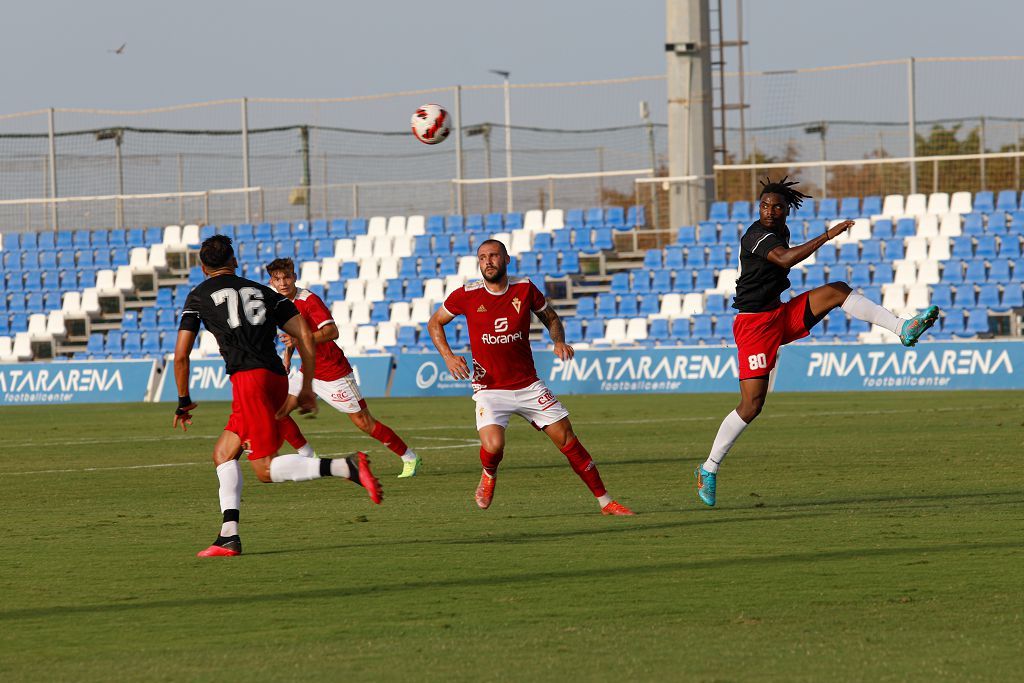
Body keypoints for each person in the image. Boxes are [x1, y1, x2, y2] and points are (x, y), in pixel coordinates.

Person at [694, 177, 939, 507]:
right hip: (754, 326)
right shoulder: (756, 235)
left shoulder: (781, 230)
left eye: (776, 206)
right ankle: (708, 468)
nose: (769, 210)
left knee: (837, 290)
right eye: (764, 205)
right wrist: (827, 235)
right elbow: (784, 260)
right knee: (752, 405)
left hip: (778, 313)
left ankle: (903, 328)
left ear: (786, 211)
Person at [172, 236, 382, 558]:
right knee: (223, 453)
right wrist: (307, 385)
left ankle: (344, 466)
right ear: (236, 262)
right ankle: (228, 536)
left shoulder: (198, 295)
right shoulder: (265, 291)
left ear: (203, 267)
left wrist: (183, 400)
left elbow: (181, 357)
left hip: (249, 381)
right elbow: (305, 338)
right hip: (276, 378)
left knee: (265, 471)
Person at [427, 239, 633, 515]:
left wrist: (558, 341)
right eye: (483, 257)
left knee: (567, 439)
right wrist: (448, 357)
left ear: (506, 259)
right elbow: (435, 322)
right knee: (494, 445)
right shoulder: (466, 294)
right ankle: (489, 473)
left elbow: (551, 318)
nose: (488, 261)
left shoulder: (524, 289)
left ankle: (606, 502)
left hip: (528, 385)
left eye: (494, 256)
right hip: (490, 388)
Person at [265, 257, 422, 477]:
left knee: (364, 422)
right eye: (277, 279)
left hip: (333, 372)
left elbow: (331, 332)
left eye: (287, 277)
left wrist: (300, 340)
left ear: (295, 277)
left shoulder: (309, 300)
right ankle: (310, 457)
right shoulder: (279, 303)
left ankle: (410, 457)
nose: (283, 283)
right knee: (277, 412)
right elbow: (292, 334)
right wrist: (287, 358)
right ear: (271, 281)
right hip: (307, 371)